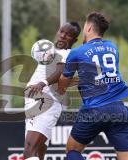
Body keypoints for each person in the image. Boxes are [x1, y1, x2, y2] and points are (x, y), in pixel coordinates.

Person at [57, 12, 128, 160]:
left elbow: (63, 82)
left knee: (72, 149)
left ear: (88, 28)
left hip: (94, 110)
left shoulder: (77, 52)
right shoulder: (113, 47)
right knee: (126, 157)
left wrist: (60, 86)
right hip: (120, 110)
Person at [23, 22, 81, 160]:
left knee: (29, 152)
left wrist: (43, 83)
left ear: (74, 40)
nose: (62, 36)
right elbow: (60, 77)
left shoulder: (68, 53)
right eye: (61, 31)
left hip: (45, 102)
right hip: (35, 100)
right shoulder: (51, 50)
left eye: (68, 34)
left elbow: (60, 71)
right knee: (37, 152)